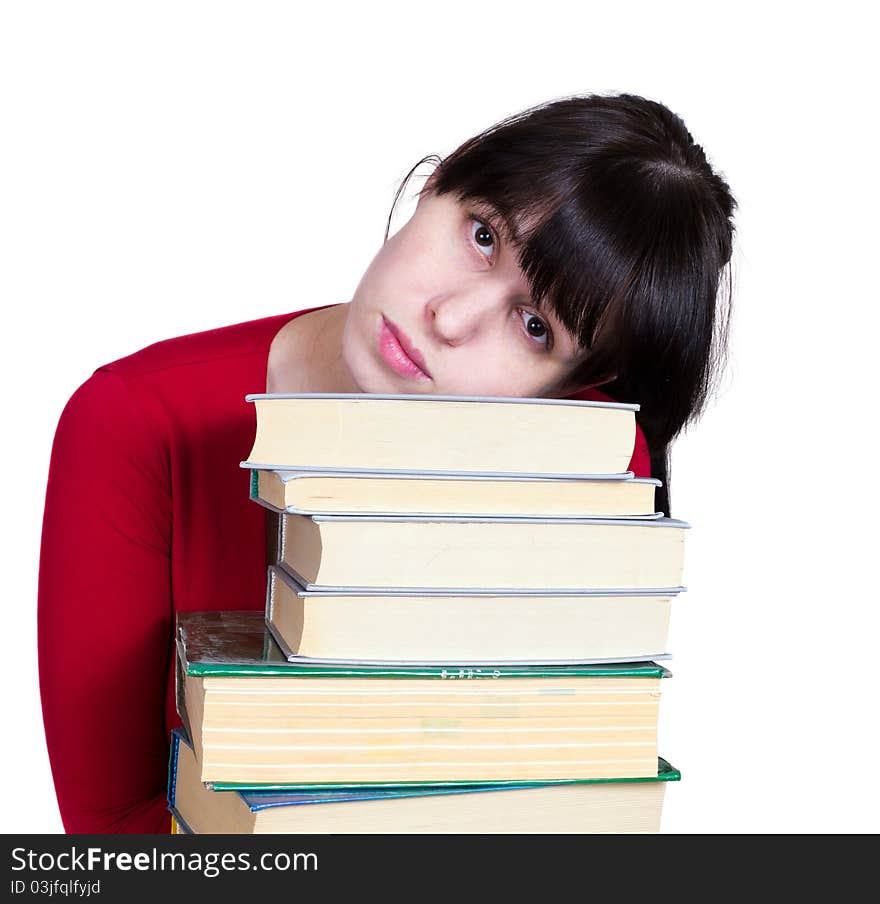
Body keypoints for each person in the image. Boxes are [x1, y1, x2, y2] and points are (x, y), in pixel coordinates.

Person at [38, 92, 736, 833]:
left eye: (535, 327)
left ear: (567, 385)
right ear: (438, 182)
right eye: (481, 235)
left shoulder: (579, 459)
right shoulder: (136, 424)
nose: (449, 318)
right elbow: (112, 828)